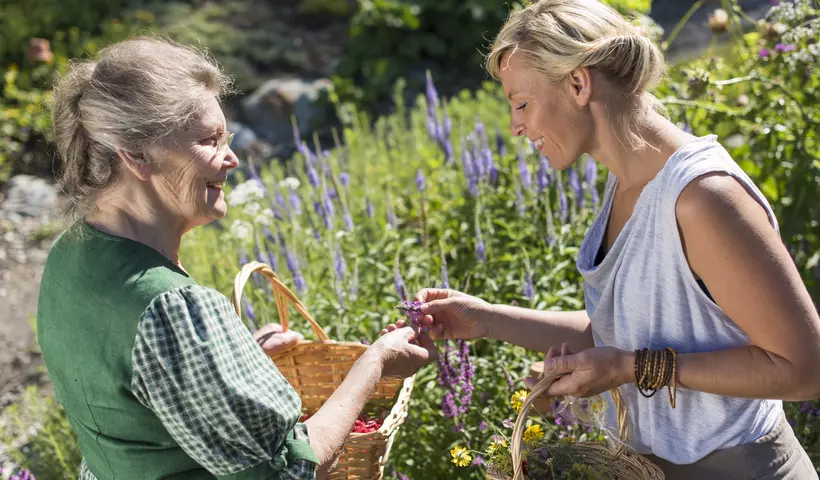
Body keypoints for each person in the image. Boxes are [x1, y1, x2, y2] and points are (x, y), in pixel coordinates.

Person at [402, 0, 820, 478]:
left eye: (521, 103)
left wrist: (627, 368)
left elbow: (803, 368)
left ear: (579, 84)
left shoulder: (703, 197)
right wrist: (485, 319)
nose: (516, 127)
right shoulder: (624, 186)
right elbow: (626, 329)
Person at [37, 36, 436, 480]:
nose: (232, 158)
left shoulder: (69, 256)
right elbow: (291, 471)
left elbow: (131, 404)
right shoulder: (175, 309)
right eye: (209, 141)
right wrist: (374, 364)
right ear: (137, 155)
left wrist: (232, 365)